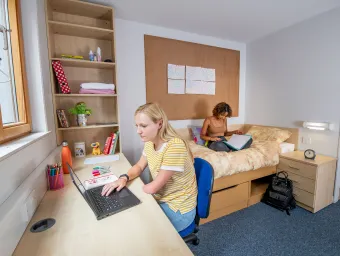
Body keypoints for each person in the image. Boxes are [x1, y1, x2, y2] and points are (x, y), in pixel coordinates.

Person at [101, 103, 198, 232]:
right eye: (137, 126)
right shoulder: (149, 142)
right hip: (161, 199)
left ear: (159, 123)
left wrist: (122, 197)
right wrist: (123, 178)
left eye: (143, 126)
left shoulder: (175, 146)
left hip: (179, 209)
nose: (138, 131)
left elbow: (153, 187)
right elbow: (139, 166)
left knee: (134, 226)